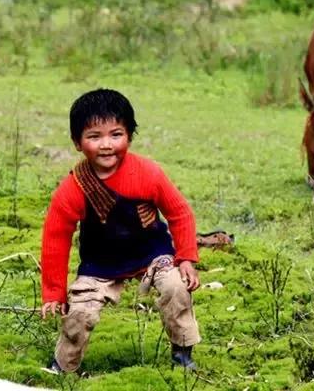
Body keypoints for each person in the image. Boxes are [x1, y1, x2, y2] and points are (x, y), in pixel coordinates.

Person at [40, 88, 201, 374]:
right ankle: (62, 369)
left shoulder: (148, 173)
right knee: (79, 314)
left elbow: (179, 212)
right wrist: (53, 293)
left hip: (152, 253)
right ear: (77, 142)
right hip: (100, 262)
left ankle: (182, 352)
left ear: (129, 135)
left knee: (176, 288)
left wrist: (186, 257)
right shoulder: (74, 188)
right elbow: (56, 237)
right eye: (94, 136)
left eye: (116, 134)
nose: (106, 145)